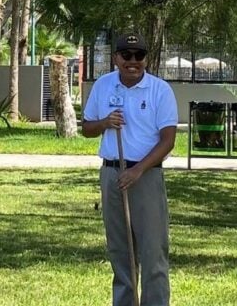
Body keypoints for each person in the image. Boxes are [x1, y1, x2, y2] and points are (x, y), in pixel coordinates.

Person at [82, 31, 178, 306]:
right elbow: (87, 128)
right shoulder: (103, 86)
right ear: (116, 58)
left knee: (152, 251)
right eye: (126, 55)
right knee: (120, 250)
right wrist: (105, 123)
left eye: (139, 56)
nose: (133, 61)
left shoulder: (160, 90)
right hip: (112, 173)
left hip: (146, 175)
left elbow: (168, 140)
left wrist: (138, 171)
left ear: (146, 59)